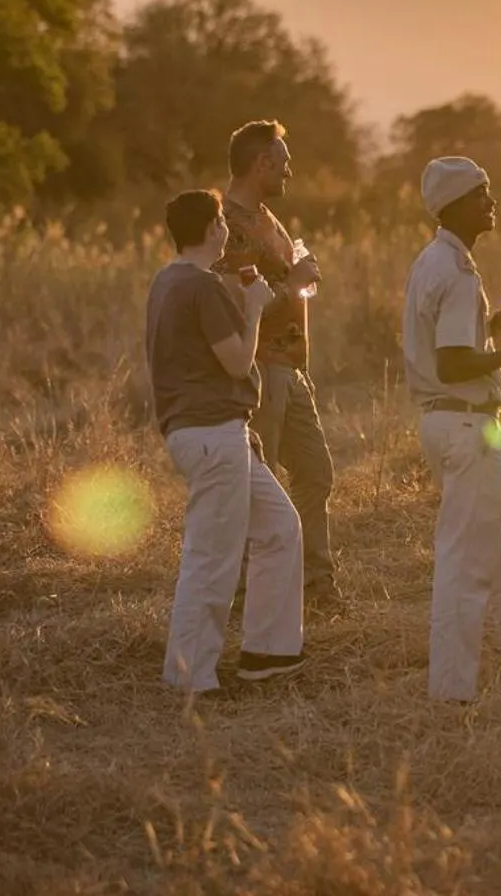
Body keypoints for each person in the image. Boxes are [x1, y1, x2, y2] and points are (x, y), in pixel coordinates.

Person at [404, 156, 501, 702]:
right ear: (454, 205)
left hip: (462, 424)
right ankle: (452, 691)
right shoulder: (456, 271)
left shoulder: (439, 260)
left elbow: (455, 342)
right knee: (465, 563)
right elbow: (453, 364)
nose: (491, 202)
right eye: (480, 193)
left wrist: (497, 327)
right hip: (466, 424)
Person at [144, 189, 306, 693]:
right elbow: (237, 363)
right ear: (213, 229)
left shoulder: (166, 281)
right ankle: (188, 678)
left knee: (279, 526)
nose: (226, 231)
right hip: (213, 435)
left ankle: (268, 651)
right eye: (221, 223)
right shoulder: (202, 286)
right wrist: (255, 308)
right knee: (211, 558)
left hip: (210, 431)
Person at [213, 119, 342, 614]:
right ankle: (247, 595)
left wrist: (298, 280)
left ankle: (315, 586)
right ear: (261, 164)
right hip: (259, 371)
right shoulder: (227, 227)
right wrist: (293, 283)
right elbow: (234, 310)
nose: (290, 171)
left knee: (316, 473)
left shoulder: (268, 218)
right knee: (256, 486)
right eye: (283, 163)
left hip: (290, 368)